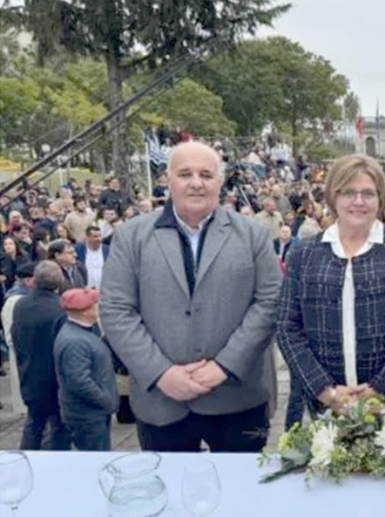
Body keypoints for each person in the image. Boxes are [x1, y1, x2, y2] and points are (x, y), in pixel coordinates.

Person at [100, 141, 282, 452]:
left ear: (220, 182)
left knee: (242, 483)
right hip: (161, 401)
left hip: (237, 398)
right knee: (167, 484)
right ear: (168, 179)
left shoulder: (254, 235)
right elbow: (116, 310)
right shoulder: (131, 237)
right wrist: (161, 373)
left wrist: (223, 367)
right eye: (185, 174)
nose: (196, 183)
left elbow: (270, 303)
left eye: (206, 175)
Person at [277, 154, 385, 422]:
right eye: (348, 192)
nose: (358, 201)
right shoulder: (304, 254)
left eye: (368, 193)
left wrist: (380, 388)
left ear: (380, 199)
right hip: (321, 406)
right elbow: (287, 326)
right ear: (333, 196)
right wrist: (325, 390)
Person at [12, 260, 71, 450]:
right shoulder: (60, 309)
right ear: (59, 281)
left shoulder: (21, 305)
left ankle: (27, 459)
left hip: (29, 372)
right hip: (54, 379)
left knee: (33, 424)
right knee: (58, 428)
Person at [53, 288, 118, 451]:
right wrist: (106, 401)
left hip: (93, 413)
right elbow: (79, 382)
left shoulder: (83, 332)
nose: (99, 307)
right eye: (96, 304)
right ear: (86, 312)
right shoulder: (75, 342)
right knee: (97, 460)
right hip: (88, 417)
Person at [1, 262, 36, 416]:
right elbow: (10, 331)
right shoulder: (14, 300)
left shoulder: (29, 297)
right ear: (27, 280)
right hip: (22, 351)